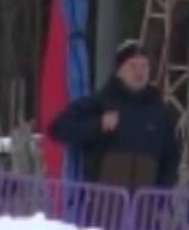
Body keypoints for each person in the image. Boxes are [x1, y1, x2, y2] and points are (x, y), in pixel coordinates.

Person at [49, 40, 179, 193]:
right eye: (132, 66)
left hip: (145, 209)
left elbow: (171, 158)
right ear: (118, 70)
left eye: (144, 66)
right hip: (102, 207)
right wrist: (98, 125)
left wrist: (160, 200)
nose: (139, 72)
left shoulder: (159, 111)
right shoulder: (100, 102)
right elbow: (57, 128)